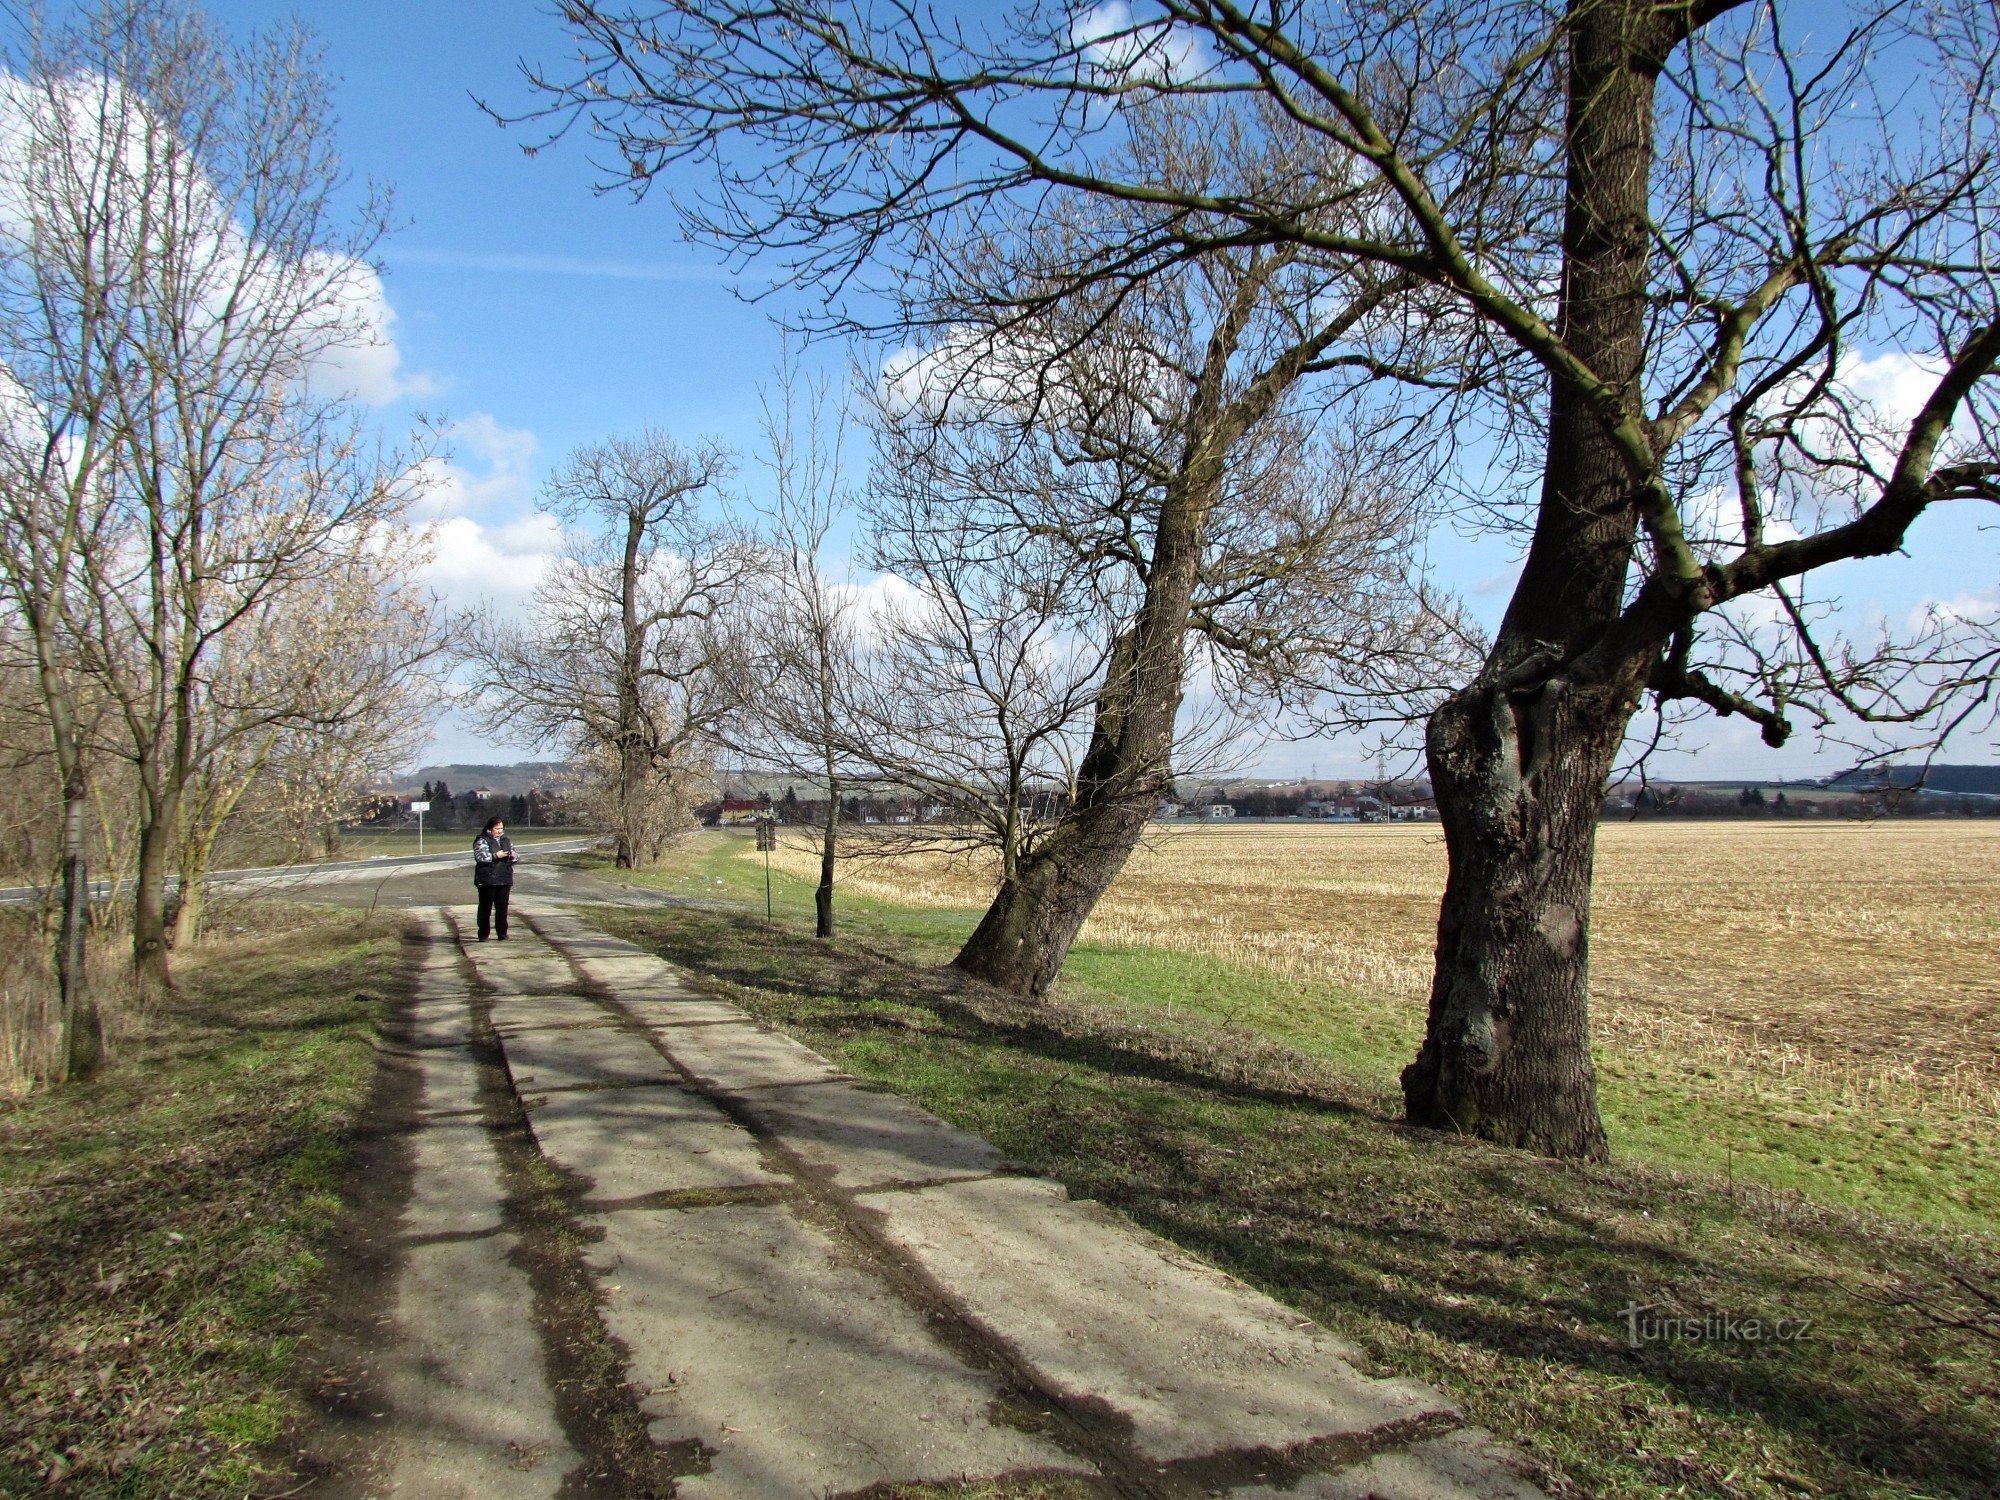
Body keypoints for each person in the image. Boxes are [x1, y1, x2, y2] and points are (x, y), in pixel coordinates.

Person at [472, 816, 517, 941]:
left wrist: (513, 856)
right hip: (487, 879)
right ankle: (483, 934)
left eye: (501, 828)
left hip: (504, 878)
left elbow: (516, 855)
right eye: (497, 828)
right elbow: (481, 857)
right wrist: (496, 855)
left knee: (502, 907)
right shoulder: (482, 840)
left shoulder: (505, 840)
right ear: (490, 828)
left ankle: (502, 933)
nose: (499, 831)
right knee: (485, 907)